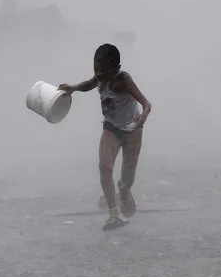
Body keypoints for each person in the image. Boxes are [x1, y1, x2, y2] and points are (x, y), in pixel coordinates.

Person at [59, 43, 152, 231]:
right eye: (96, 69)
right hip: (112, 128)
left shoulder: (124, 80)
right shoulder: (100, 78)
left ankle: (124, 191)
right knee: (104, 166)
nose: (99, 74)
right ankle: (113, 214)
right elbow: (89, 84)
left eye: (103, 71)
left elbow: (146, 103)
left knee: (127, 177)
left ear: (116, 69)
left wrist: (142, 117)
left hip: (133, 129)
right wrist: (73, 88)